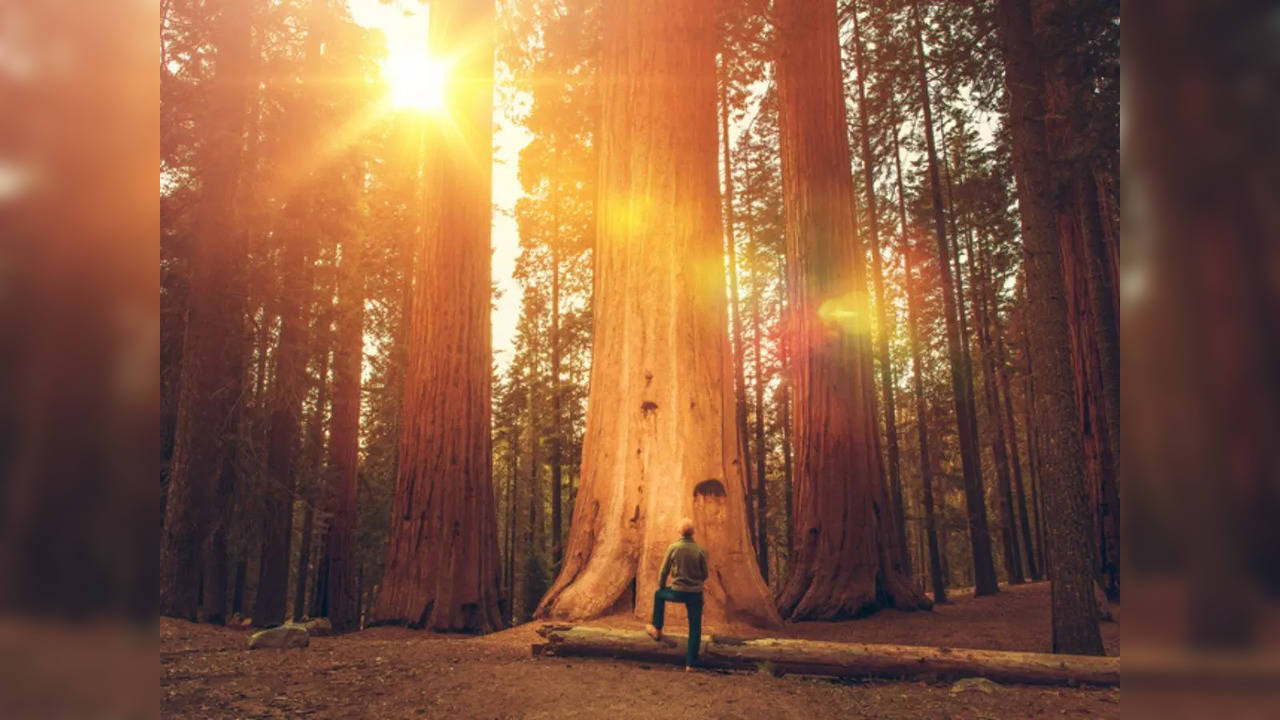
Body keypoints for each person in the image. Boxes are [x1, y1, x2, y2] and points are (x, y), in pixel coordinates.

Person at [645, 518, 708, 671]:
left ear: (680, 531)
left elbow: (663, 571)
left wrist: (662, 586)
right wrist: (695, 582)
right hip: (695, 594)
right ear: (693, 532)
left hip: (677, 592)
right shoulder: (700, 550)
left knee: (659, 595)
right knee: (695, 628)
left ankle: (657, 628)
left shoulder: (674, 548)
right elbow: (705, 574)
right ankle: (690, 664)